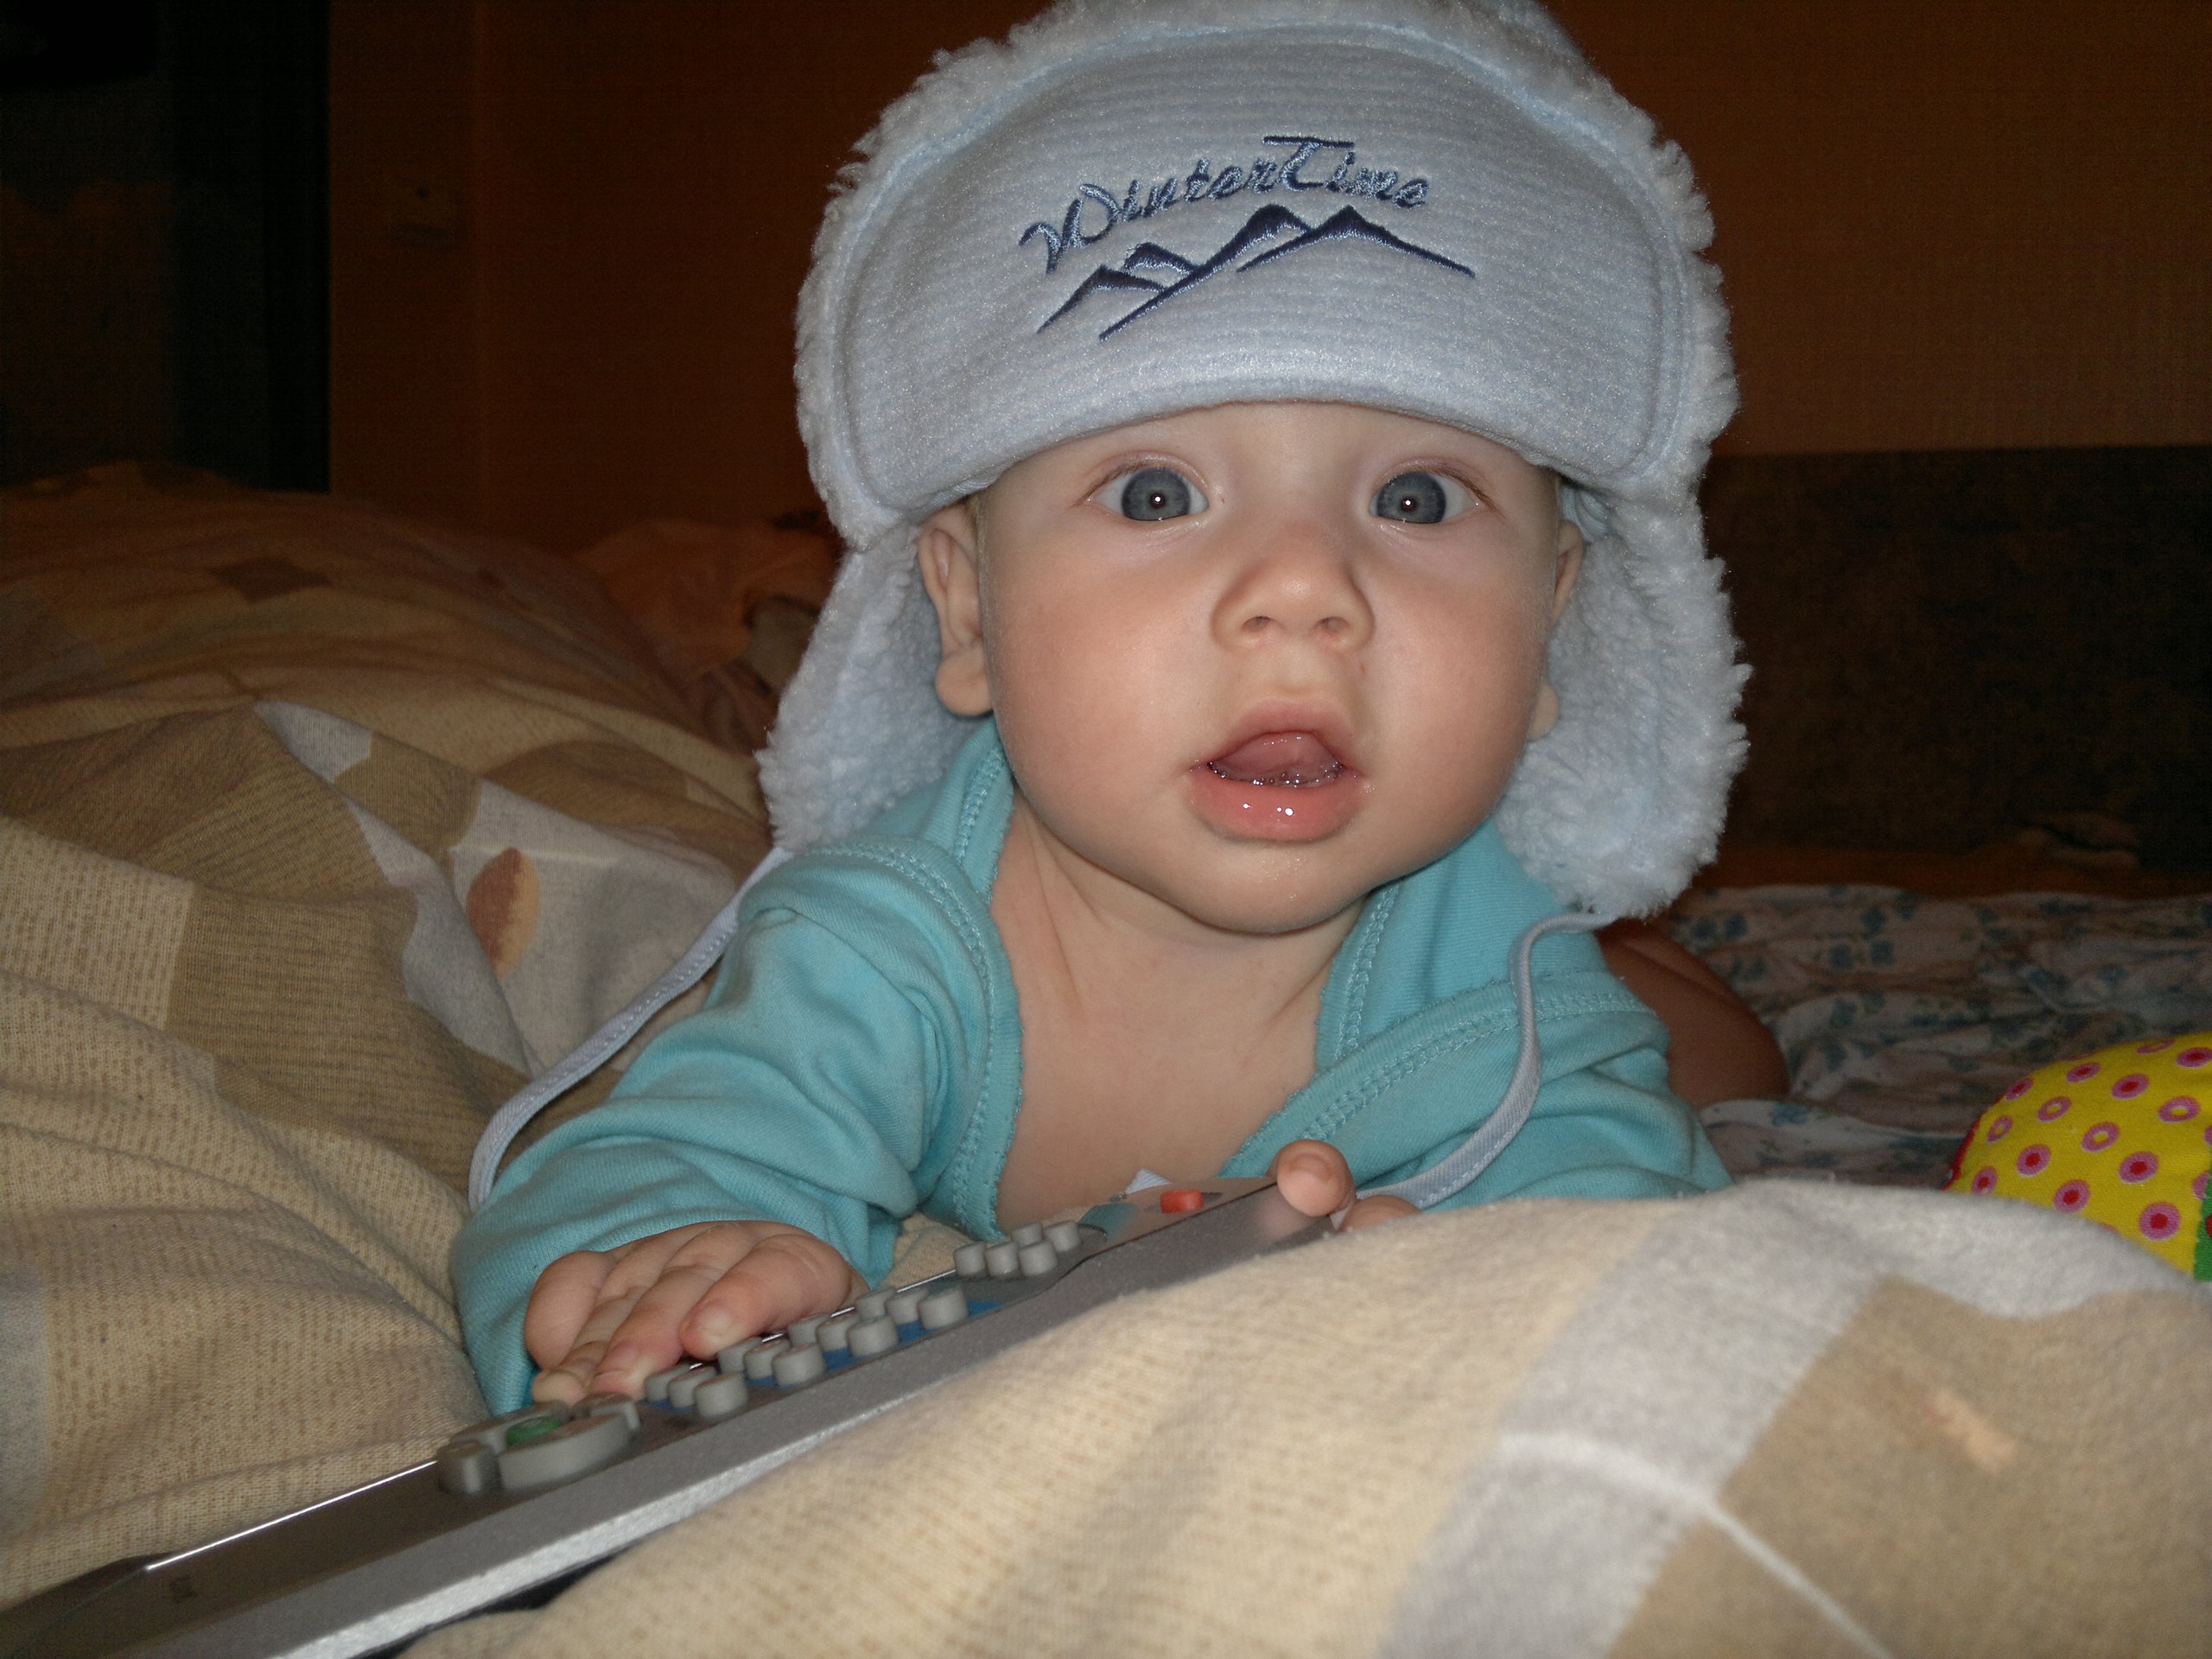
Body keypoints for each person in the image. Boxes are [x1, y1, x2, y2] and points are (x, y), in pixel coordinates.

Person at [454, 0, 1777, 1414]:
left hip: (1542, 957)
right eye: (1156, 494)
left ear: (1552, 618)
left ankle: (1675, 974)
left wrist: (1505, 1292)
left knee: (1716, 1053)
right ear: (969, 611)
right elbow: (655, 1159)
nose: (1302, 592)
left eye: (1414, 498)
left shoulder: (1505, 991)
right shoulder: (882, 947)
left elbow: (1631, 1221)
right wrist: (671, 1265)